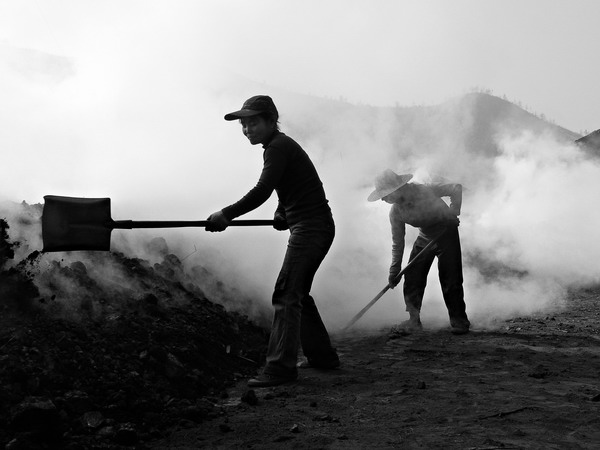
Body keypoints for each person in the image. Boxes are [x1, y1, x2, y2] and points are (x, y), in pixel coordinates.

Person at [205, 95, 340, 387]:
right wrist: (283, 212)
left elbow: (263, 189)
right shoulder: (278, 146)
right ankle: (323, 357)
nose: (247, 130)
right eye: (243, 124)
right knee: (298, 293)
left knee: (286, 293)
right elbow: (286, 188)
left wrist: (227, 214)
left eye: (253, 122)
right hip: (313, 225)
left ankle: (279, 368)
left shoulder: (277, 147)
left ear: (271, 121)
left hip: (311, 228)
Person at [367, 169, 470, 335]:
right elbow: (397, 242)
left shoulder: (425, 190)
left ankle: (459, 321)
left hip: (446, 232)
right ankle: (413, 320)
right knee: (413, 276)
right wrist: (395, 270)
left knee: (450, 278)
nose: (384, 199)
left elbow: (456, 188)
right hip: (425, 237)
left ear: (397, 189)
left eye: (386, 195)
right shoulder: (396, 212)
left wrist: (454, 211)